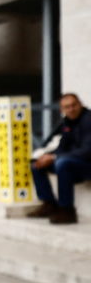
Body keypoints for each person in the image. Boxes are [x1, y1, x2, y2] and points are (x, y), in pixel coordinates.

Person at [30, 92, 90, 224]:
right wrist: (46, 156)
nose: (71, 109)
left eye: (74, 105)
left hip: (87, 164)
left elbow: (87, 151)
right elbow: (62, 147)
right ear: (62, 110)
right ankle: (49, 204)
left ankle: (67, 210)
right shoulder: (66, 123)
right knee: (36, 164)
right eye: (67, 107)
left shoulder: (88, 120)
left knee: (62, 163)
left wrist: (54, 157)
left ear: (80, 104)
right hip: (74, 163)